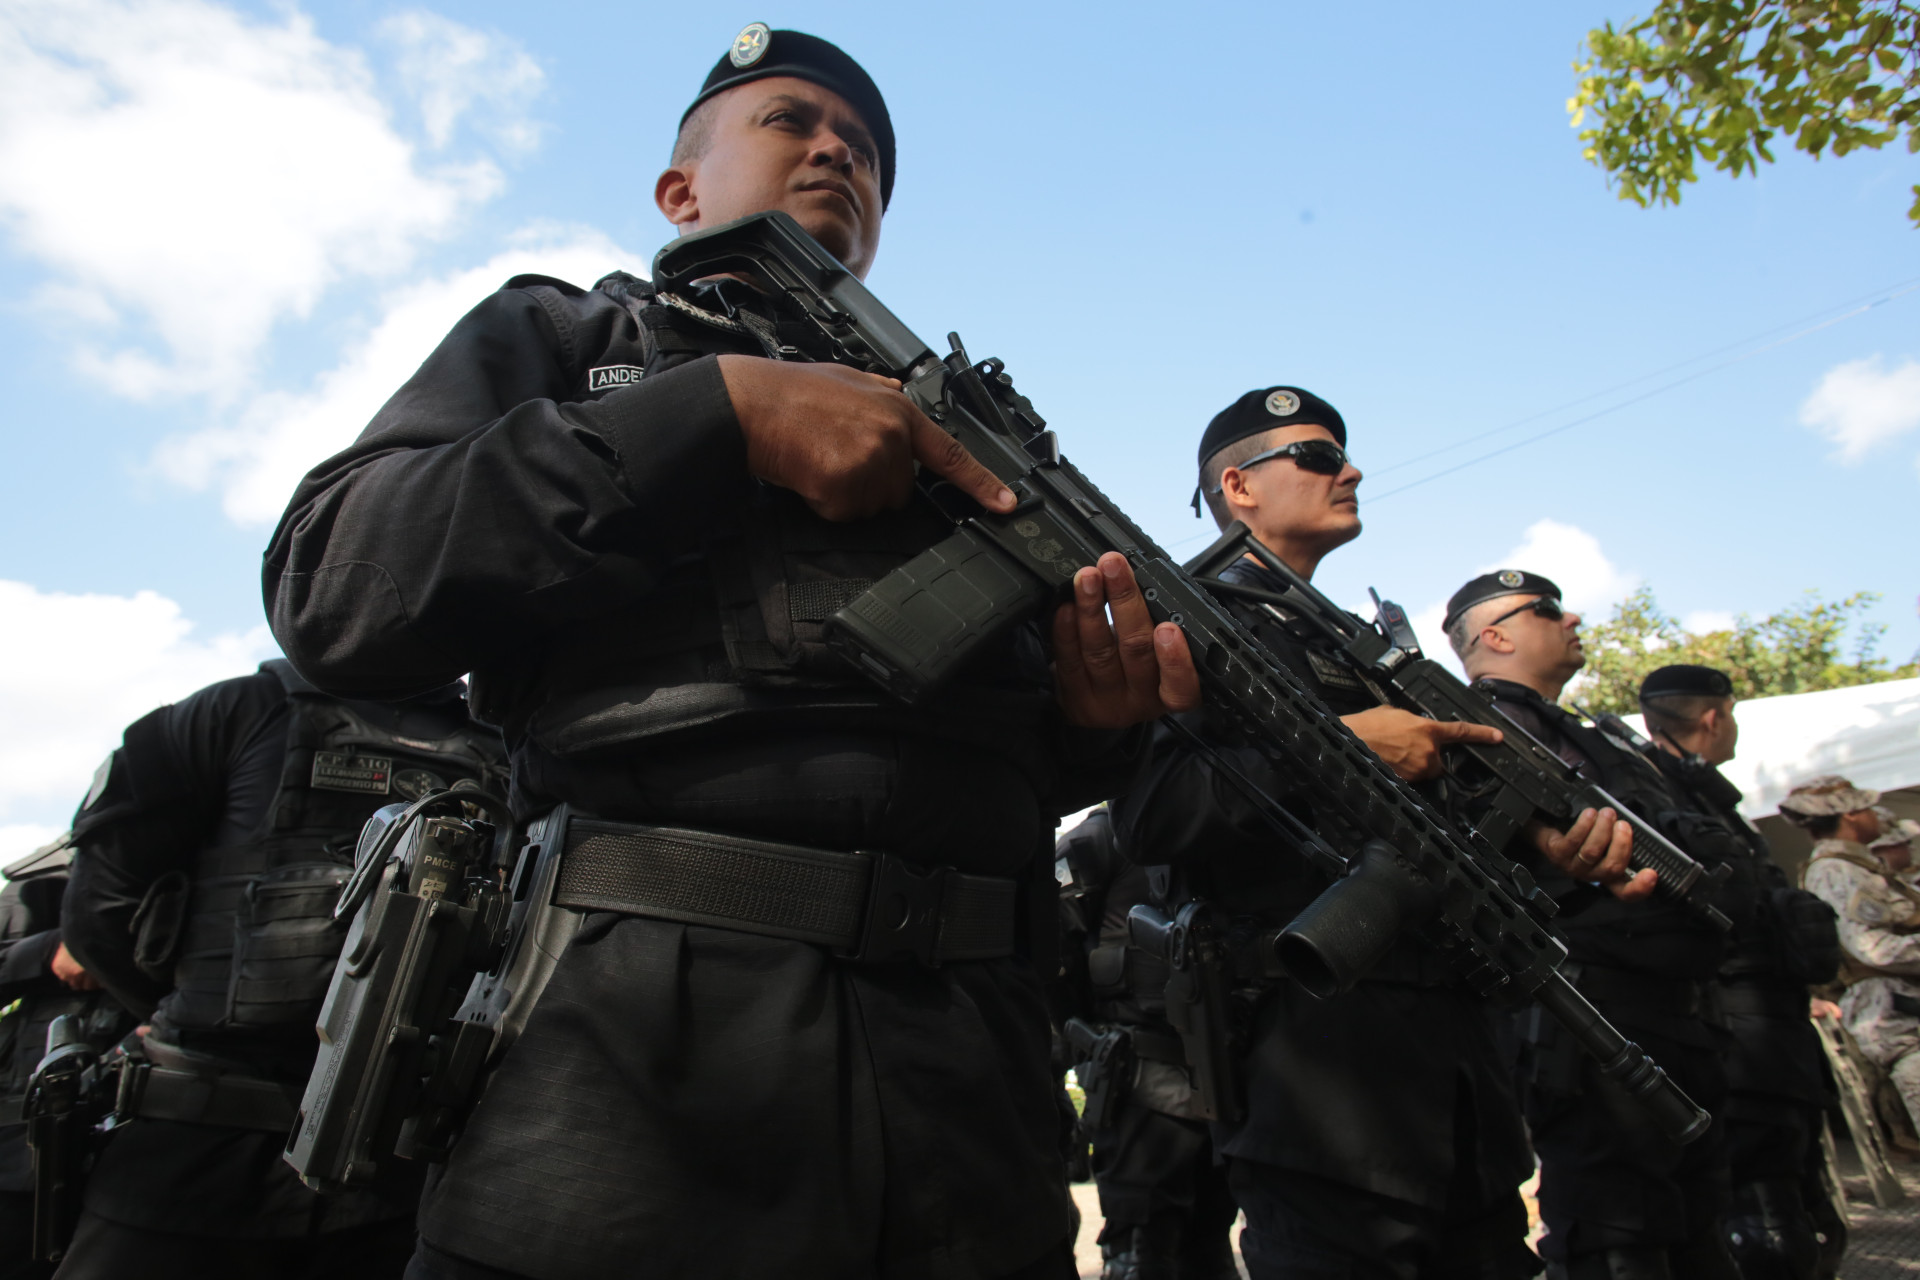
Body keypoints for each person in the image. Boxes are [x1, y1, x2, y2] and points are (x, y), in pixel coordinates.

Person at [262, 27, 1199, 1280]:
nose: (837, 153)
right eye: (793, 124)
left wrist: (1093, 724)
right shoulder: (572, 335)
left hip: (973, 1077)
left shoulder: (974, 433)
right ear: (680, 190)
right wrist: (711, 416)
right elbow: (336, 582)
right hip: (634, 1061)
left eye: (865, 152)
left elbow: (1014, 758)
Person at [1112, 387, 1639, 1280]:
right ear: (1238, 486)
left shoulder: (1365, 646)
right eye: (1317, 456)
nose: (1350, 470)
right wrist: (1344, 747)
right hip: (1321, 1082)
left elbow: (1434, 824)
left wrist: (1543, 849)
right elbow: (1155, 816)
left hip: (1458, 1080)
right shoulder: (1187, 620)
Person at [55, 660, 505, 1280]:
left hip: (384, 1168)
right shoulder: (232, 713)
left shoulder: (508, 747)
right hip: (197, 1154)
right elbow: (101, 917)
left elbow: (99, 913)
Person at [1445, 577, 1748, 1280]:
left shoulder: (1583, 734)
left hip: (1671, 1011)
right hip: (1590, 1021)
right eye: (1548, 611)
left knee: (1697, 1231)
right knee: (1619, 1234)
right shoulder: (1473, 726)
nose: (1572, 617)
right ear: (1496, 636)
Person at [1636, 666, 1845, 1280]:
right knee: (1764, 1220)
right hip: (1737, 1030)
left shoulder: (1700, 791)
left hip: (1769, 1027)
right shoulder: (1656, 787)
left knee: (1800, 1206)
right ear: (1714, 716)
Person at [1054, 809, 1238, 1280]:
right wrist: (1081, 1042)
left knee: (1210, 1247)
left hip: (1223, 1081)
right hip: (1138, 1081)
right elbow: (1050, 952)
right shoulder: (1101, 838)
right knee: (1141, 1253)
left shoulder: (1213, 825)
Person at [0, 835, 132, 1280]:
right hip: (22, 1144)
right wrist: (48, 951)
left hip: (140, 1151)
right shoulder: (38, 879)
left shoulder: (212, 872)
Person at [1789, 779, 1920, 1140]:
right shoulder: (1834, 872)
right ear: (1849, 814)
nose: (1874, 815)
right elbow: (1871, 947)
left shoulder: (1858, 866)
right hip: (1897, 1023)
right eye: (1865, 807)